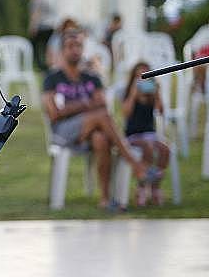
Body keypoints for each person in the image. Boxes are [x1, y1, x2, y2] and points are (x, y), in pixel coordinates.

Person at [42, 29, 146, 208]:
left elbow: (103, 104)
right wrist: (86, 104)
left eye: (79, 46)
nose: (75, 50)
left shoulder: (92, 77)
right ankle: (134, 162)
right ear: (62, 50)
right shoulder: (52, 78)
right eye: (70, 46)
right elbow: (54, 113)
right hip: (63, 133)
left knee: (101, 139)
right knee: (101, 117)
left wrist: (71, 107)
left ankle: (105, 199)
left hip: (90, 131)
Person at [122, 62, 169, 206]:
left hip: (150, 134)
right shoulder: (128, 93)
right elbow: (126, 113)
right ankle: (142, 186)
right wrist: (133, 94)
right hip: (133, 135)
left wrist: (157, 94)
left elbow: (161, 112)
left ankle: (155, 185)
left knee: (165, 149)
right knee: (147, 148)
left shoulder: (151, 95)